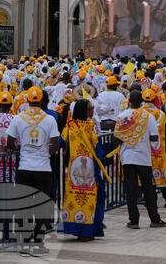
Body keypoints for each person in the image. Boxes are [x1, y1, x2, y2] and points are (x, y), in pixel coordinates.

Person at [6, 87, 60, 255]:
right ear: (43, 100)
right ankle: (39, 243)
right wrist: (44, 151)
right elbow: (55, 145)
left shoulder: (18, 118)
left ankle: (23, 244)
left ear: (27, 100)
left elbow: (10, 142)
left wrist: (23, 148)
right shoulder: (49, 119)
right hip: (43, 168)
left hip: (24, 168)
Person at [113, 90, 166, 228]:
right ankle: (154, 219)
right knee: (148, 188)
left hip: (127, 157)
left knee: (131, 189)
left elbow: (117, 137)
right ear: (141, 101)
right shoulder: (147, 116)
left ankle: (133, 220)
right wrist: (147, 143)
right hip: (143, 157)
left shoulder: (122, 116)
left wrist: (128, 141)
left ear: (129, 101)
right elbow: (155, 137)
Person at [60, 99, 108, 242]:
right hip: (90, 170)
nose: (92, 110)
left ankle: (76, 229)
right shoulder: (90, 126)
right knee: (91, 200)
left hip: (74, 170)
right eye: (90, 108)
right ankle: (87, 232)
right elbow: (97, 147)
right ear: (84, 111)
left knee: (75, 200)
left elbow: (62, 142)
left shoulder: (69, 125)